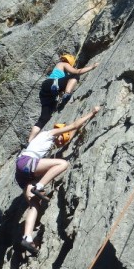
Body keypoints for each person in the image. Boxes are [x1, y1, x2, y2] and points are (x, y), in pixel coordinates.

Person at [16, 106, 101, 255]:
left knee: (34, 203)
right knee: (63, 164)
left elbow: (70, 134)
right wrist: (92, 113)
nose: (62, 142)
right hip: (27, 162)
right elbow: (73, 126)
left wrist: (71, 134)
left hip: (22, 172)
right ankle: (39, 185)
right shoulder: (50, 133)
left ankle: (27, 237)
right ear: (59, 132)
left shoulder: (42, 142)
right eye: (63, 137)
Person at [28, 54, 99, 142]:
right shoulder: (63, 63)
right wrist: (92, 67)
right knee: (74, 76)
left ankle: (30, 141)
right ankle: (67, 93)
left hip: (45, 90)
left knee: (44, 118)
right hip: (52, 83)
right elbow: (76, 71)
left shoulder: (57, 69)